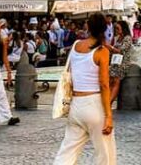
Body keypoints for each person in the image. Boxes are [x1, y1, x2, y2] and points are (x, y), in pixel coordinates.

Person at [53, 13, 116, 165]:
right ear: (105, 28)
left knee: (67, 152)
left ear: (88, 26)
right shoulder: (102, 51)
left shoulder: (76, 45)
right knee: (105, 153)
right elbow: (104, 84)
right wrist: (108, 116)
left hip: (76, 104)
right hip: (94, 103)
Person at [106, 21, 133, 104]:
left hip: (122, 63)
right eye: (115, 28)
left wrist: (110, 47)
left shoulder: (127, 38)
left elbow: (121, 50)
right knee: (110, 80)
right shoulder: (118, 38)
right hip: (115, 62)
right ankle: (108, 100)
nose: (116, 30)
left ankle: (109, 101)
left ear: (123, 28)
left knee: (116, 81)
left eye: (118, 28)